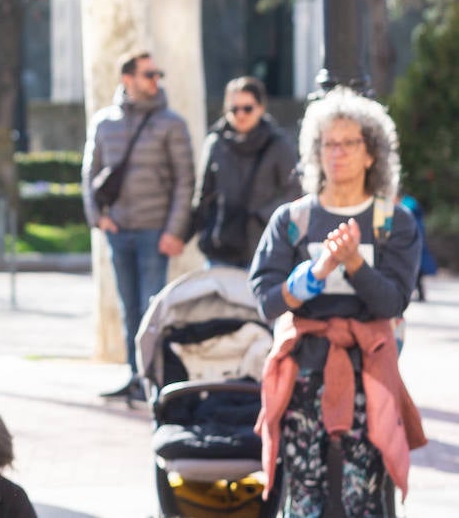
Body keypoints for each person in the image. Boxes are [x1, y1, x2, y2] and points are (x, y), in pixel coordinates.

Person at [249, 88, 427, 515]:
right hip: (303, 375)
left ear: (371, 155)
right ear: (315, 152)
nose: (338, 152)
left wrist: (353, 265)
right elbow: (268, 302)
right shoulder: (292, 221)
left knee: (362, 495)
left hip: (370, 376)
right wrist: (314, 274)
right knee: (304, 493)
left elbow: (392, 302)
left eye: (350, 143)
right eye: (329, 143)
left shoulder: (393, 222)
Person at [81, 50, 195, 401]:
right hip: (119, 232)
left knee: (151, 309)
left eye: (157, 74)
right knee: (128, 308)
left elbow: (185, 182)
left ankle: (153, 380)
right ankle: (134, 376)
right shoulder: (104, 122)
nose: (155, 81)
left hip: (154, 232)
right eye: (148, 74)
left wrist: (174, 231)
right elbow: (89, 174)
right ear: (127, 78)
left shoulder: (171, 123)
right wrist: (98, 217)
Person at [192, 76, 300, 267]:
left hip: (262, 247)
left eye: (247, 108)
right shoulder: (215, 143)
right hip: (220, 248)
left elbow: (293, 192)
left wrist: (260, 216)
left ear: (260, 108)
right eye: (234, 109)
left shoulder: (278, 144)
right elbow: (203, 195)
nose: (240, 115)